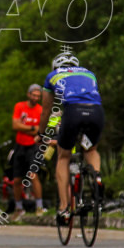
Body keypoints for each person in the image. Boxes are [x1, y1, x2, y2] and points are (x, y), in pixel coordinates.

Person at [38, 51, 104, 225]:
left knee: (63, 156)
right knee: (91, 149)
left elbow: (46, 110)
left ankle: (64, 208)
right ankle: (97, 179)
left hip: (73, 112)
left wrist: (41, 133)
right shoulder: (89, 73)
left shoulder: (52, 76)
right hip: (96, 111)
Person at [10, 84, 46, 220]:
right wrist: (32, 128)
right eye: (34, 95)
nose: (36, 98)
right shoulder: (19, 106)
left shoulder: (41, 110)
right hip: (20, 145)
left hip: (33, 147)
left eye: (38, 96)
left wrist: (26, 128)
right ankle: (18, 208)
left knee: (33, 175)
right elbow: (15, 125)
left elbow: (41, 130)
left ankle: (39, 206)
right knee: (17, 179)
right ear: (28, 94)